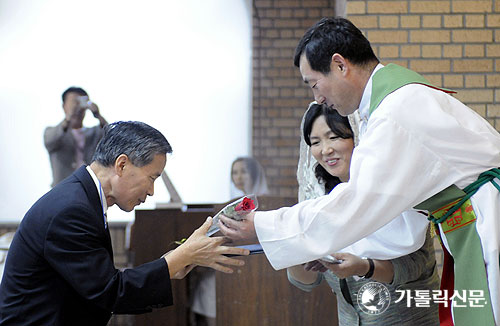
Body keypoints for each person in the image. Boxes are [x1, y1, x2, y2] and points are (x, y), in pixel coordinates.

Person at [219, 17, 500, 326]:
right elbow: (400, 227)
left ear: (340, 65)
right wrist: (328, 247)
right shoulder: (391, 105)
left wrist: (264, 224)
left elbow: (357, 203)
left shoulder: (395, 112)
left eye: (314, 84)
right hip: (467, 225)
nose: (318, 98)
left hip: (483, 225)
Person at [0, 121, 249, 325]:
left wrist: (175, 263)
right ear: (121, 164)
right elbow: (109, 292)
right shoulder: (72, 209)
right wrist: (176, 259)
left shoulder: (82, 197)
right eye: (152, 178)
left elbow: (101, 283)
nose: (152, 191)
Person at [287, 102, 439, 325]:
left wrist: (362, 266)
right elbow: (307, 282)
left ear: (358, 137)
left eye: (334, 137)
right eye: (316, 142)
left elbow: (416, 265)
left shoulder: (394, 188)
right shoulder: (319, 199)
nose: (325, 149)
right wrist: (297, 254)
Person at [190, 156, 270, 326]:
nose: (238, 177)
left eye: (243, 171)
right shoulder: (229, 205)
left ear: (254, 174)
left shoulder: (269, 202)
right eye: (234, 172)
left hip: (259, 264)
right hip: (230, 258)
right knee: (209, 284)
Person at [44, 86, 108, 187]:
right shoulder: (54, 131)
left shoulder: (94, 132)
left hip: (89, 189)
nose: (78, 107)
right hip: (62, 189)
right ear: (64, 106)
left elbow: (111, 136)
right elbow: (50, 141)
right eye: (74, 102)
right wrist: (69, 117)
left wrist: (98, 115)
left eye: (82, 101)